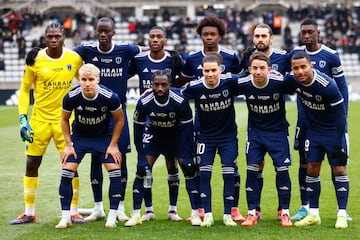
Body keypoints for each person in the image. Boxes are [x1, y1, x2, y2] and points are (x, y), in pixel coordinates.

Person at [10, 23, 84, 225]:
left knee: (71, 165)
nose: (53, 39)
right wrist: (23, 118)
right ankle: (29, 213)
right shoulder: (35, 59)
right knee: (32, 163)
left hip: (64, 122)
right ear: (44, 38)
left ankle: (74, 211)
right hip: (39, 121)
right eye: (50, 36)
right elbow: (25, 90)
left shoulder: (74, 58)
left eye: (57, 36)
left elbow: (85, 82)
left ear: (63, 37)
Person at [73, 17, 143, 222]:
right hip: (96, 116)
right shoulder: (86, 50)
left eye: (107, 31)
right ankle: (98, 208)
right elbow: (66, 58)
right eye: (99, 31)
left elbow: (146, 53)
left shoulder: (126, 49)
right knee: (97, 158)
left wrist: (126, 74)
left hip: (117, 114)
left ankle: (119, 207)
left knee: (120, 159)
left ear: (113, 32)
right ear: (95, 32)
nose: (103, 35)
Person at [178, 14, 244, 223]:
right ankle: (200, 211)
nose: (208, 37)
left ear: (220, 35)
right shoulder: (192, 58)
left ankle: (233, 210)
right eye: (205, 34)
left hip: (226, 125)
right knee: (201, 171)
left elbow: (239, 82)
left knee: (231, 169)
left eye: (212, 34)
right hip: (203, 126)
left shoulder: (231, 57)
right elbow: (184, 86)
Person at [287, 18, 351, 222]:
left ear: (318, 33)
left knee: (337, 161)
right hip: (305, 119)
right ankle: (306, 207)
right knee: (306, 162)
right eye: (303, 32)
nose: (306, 36)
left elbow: (342, 88)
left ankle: (342, 209)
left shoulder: (331, 56)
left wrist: (343, 118)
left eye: (310, 32)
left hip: (331, 118)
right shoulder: (295, 55)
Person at [125, 70, 200, 227]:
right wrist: (140, 154)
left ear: (170, 85)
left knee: (187, 168)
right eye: (156, 84)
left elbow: (187, 130)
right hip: (154, 136)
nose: (159, 88)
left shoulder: (179, 101)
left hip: (176, 135)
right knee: (142, 169)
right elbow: (138, 131)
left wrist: (188, 153)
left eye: (163, 85)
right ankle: (140, 213)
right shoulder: (144, 102)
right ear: (151, 85)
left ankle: (190, 213)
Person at [126, 26, 185, 223]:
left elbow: (184, 76)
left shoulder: (173, 59)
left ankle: (172, 210)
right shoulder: (139, 59)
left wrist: (179, 93)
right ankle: (148, 210)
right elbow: (122, 75)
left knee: (172, 165)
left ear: (165, 40)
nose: (155, 39)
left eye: (159, 36)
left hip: (170, 120)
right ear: (148, 39)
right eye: (152, 36)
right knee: (145, 168)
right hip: (149, 120)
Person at [56, 63, 125, 229]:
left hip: (103, 138)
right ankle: (65, 217)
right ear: (79, 80)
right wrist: (68, 144)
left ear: (98, 80)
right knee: (66, 171)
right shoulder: (71, 96)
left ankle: (112, 216)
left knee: (115, 172)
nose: (87, 83)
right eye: (83, 79)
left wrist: (113, 145)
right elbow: (64, 119)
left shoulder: (109, 97)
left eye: (91, 79)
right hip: (80, 138)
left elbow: (120, 119)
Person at [237, 51, 293, 227]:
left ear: (269, 69)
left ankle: (285, 212)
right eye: (255, 68)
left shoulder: (280, 82)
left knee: (282, 170)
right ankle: (252, 213)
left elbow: (298, 83)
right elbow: (223, 83)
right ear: (249, 69)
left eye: (262, 68)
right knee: (252, 170)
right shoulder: (243, 83)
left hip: (278, 133)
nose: (258, 72)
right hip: (256, 134)